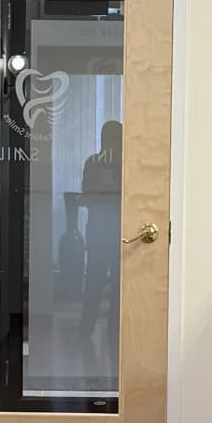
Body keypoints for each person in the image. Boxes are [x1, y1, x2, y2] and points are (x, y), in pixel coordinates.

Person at [77, 118, 122, 382]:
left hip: (120, 234)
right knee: (93, 283)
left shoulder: (127, 164)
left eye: (116, 138)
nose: (111, 143)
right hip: (98, 233)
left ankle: (114, 332)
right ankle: (86, 329)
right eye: (108, 138)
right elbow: (86, 195)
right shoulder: (92, 163)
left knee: (119, 285)